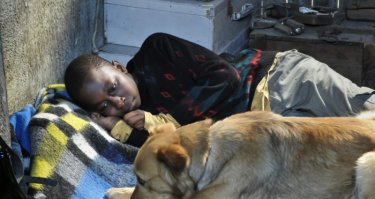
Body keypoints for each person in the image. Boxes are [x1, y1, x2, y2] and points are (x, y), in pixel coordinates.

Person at [64, 32, 375, 147]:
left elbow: (225, 76)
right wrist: (122, 132)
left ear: (119, 67)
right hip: (267, 123)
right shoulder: (139, 119)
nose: (118, 101)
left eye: (113, 87)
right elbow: (170, 156)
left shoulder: (156, 50)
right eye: (105, 105)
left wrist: (169, 120)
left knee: (367, 111)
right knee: (357, 145)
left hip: (284, 79)